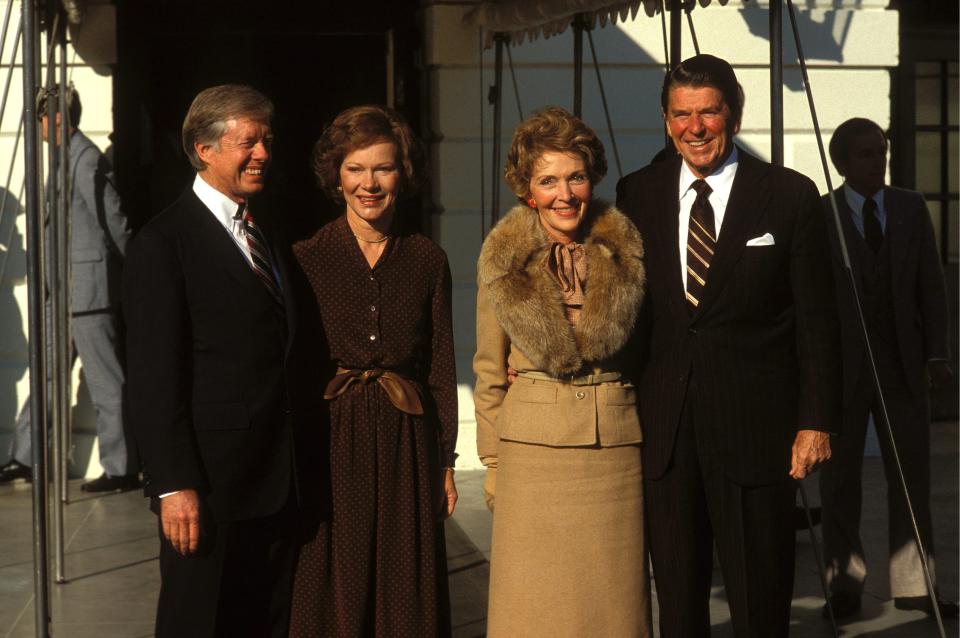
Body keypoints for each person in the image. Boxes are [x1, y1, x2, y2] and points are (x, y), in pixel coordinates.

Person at [615, 54, 841, 637]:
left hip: (757, 433)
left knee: (760, 603)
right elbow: (627, 315)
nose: (695, 127)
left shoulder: (789, 195)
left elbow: (819, 322)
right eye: (681, 114)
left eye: (708, 112)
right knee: (680, 604)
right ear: (667, 121)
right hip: (667, 435)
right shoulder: (636, 193)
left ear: (732, 115)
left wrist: (815, 420)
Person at [123, 84, 315, 637]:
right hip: (208, 489)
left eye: (267, 141)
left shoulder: (268, 231)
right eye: (248, 142)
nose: (263, 155)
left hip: (277, 484)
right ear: (203, 149)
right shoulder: (163, 243)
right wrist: (173, 484)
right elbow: (154, 379)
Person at [475, 106, 652, 637]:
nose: (564, 194)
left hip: (614, 454)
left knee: (613, 609)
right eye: (547, 180)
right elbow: (487, 371)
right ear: (527, 189)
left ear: (592, 177)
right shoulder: (502, 258)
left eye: (575, 177)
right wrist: (493, 461)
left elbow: (650, 352)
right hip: (532, 457)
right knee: (534, 607)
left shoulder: (628, 248)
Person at [289, 105, 458, 637]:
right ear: (335, 176)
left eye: (382, 168)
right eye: (355, 169)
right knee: (332, 573)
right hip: (331, 438)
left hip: (405, 439)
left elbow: (439, 367)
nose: (369, 183)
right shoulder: (306, 258)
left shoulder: (427, 258)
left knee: (404, 576)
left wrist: (445, 461)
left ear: (402, 174)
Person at [819, 117, 958, 619]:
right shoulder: (823, 215)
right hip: (844, 369)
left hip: (902, 363)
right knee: (840, 480)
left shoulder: (909, 206)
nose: (878, 162)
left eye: (881, 152)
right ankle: (845, 585)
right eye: (865, 155)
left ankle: (917, 585)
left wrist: (937, 353)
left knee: (911, 474)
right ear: (841, 162)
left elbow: (931, 285)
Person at [0, 84, 135, 492]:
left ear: (55, 118)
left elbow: (113, 221)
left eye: (40, 118)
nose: (37, 127)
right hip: (60, 292)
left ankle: (121, 467)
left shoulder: (85, 159)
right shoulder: (64, 157)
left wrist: (136, 271)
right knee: (47, 374)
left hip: (87, 292)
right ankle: (25, 455)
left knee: (106, 381)